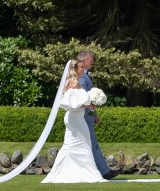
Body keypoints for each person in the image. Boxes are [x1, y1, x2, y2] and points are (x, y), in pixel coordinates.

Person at [42, 60, 107, 183]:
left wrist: (90, 105)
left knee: (72, 146)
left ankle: (66, 172)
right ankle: (92, 175)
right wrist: (89, 106)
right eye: (81, 67)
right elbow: (72, 104)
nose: (83, 69)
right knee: (84, 146)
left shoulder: (74, 82)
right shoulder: (73, 83)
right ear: (75, 69)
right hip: (75, 118)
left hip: (77, 117)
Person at [77, 51, 119, 180]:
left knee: (88, 144)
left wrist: (94, 113)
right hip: (83, 116)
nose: (92, 62)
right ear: (83, 61)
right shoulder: (81, 77)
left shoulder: (85, 75)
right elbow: (83, 96)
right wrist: (91, 107)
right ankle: (105, 172)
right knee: (92, 143)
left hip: (87, 114)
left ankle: (98, 171)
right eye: (90, 60)